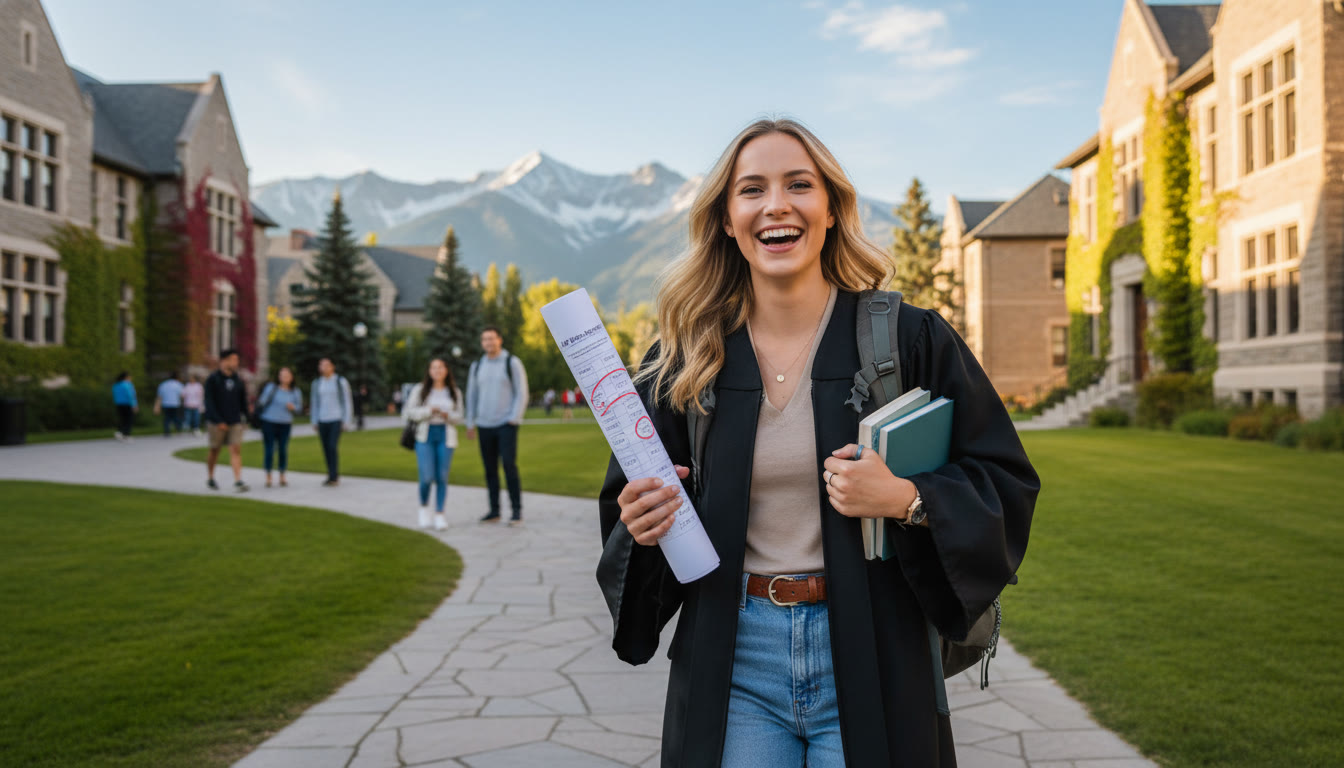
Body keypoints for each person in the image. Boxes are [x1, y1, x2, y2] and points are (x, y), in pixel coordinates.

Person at [598, 119, 1038, 767]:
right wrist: (640, 522)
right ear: (726, 218)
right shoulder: (686, 357)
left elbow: (1003, 477)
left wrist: (907, 498)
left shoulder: (909, 341)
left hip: (873, 648)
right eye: (752, 190)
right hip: (735, 657)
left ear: (830, 209)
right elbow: (628, 504)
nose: (776, 204)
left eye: (798, 185)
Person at [464, 326, 528, 525]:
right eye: (485, 339)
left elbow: (522, 391)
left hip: (506, 424)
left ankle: (516, 511)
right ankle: (494, 511)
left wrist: (514, 417)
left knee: (509, 466)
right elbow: (471, 394)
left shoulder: (512, 362)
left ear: (499, 340)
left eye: (491, 338)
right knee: (489, 469)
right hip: (484, 424)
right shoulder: (477, 366)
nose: (488, 342)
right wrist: (470, 422)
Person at [403, 358, 464, 531]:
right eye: (433, 367)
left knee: (442, 476)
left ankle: (439, 513)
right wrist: (428, 411)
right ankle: (423, 507)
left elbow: (459, 416)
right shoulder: (420, 390)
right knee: (427, 476)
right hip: (425, 436)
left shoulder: (454, 392)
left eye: (440, 367)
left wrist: (447, 415)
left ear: (446, 370)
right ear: (429, 371)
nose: (437, 371)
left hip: (445, 435)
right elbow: (407, 412)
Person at [204, 349, 251, 492]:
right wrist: (218, 420)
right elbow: (209, 402)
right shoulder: (213, 379)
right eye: (233, 359)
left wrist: (247, 418)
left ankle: (238, 480)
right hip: (217, 422)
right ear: (224, 361)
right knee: (214, 450)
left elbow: (243, 401)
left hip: (234, 421)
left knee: (235, 449)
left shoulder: (238, 380)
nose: (236, 363)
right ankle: (211, 477)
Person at [310, 357, 354, 487]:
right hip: (322, 419)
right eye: (321, 365)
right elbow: (315, 403)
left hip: (336, 418)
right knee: (325, 448)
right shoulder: (317, 383)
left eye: (326, 365)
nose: (323, 367)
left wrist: (347, 420)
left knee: (332, 446)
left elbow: (347, 401)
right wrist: (314, 420)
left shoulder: (340, 381)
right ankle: (330, 474)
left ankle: (334, 475)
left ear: (332, 367)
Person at [257, 367, 303, 488]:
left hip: (285, 423)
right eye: (282, 375)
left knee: (283, 449)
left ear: (291, 377)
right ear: (278, 377)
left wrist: (293, 407)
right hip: (269, 421)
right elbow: (261, 402)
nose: (284, 377)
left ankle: (282, 474)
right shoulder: (271, 388)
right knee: (269, 449)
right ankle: (268, 475)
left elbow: (299, 408)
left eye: (287, 375)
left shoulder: (295, 391)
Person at [154, 371, 185, 437]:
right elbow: (182, 395)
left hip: (166, 404)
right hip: (175, 404)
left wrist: (157, 406)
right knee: (176, 417)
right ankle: (178, 428)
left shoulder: (163, 384)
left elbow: (159, 397)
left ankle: (167, 431)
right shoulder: (178, 384)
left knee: (167, 418)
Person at [111, 371, 138, 442]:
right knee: (129, 419)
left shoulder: (116, 385)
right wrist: (134, 405)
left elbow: (115, 395)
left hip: (119, 404)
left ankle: (119, 432)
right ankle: (126, 434)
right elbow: (131, 395)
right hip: (128, 404)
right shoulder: (128, 384)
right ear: (126, 377)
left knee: (122, 418)